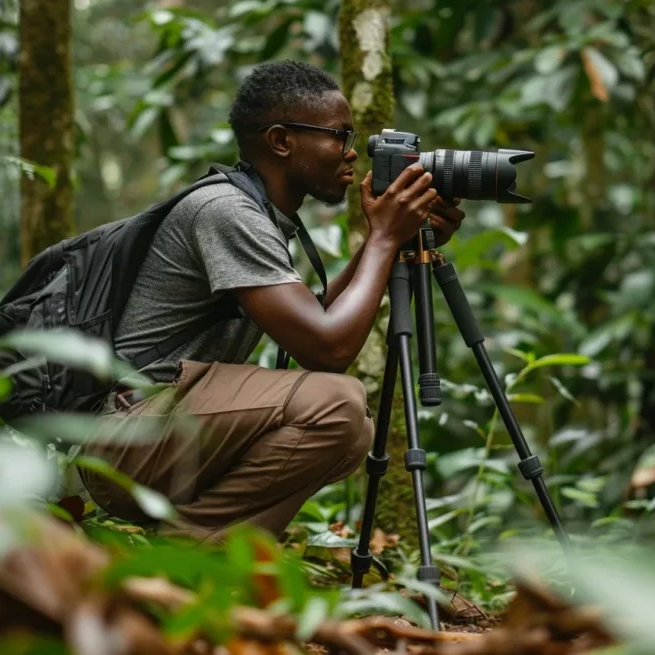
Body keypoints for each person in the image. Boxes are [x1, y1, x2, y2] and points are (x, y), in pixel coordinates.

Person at [77, 60, 466, 542]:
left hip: (155, 435)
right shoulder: (226, 211)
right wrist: (385, 239)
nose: (351, 154)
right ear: (282, 141)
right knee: (339, 405)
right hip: (124, 440)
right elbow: (328, 350)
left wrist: (384, 244)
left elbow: (316, 327)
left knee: (353, 431)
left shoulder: (257, 213)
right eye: (339, 137)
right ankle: (186, 550)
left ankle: (207, 553)